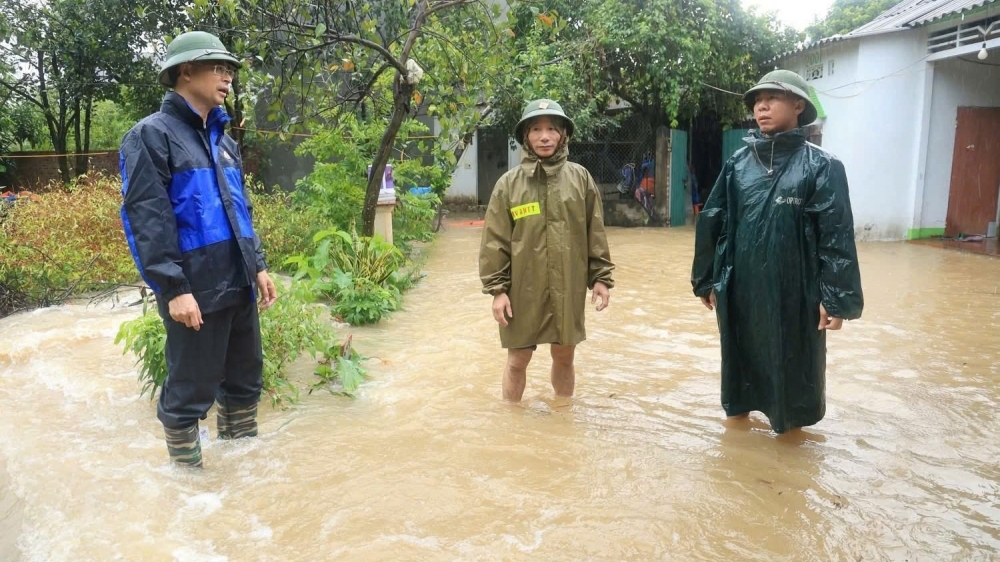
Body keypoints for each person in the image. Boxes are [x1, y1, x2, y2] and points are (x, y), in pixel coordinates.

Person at [120, 30, 278, 467]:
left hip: (238, 281)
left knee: (246, 382)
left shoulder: (224, 142)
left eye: (230, 70)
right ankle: (189, 492)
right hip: (196, 287)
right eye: (218, 68)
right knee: (190, 392)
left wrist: (258, 266)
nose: (227, 77)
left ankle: (242, 482)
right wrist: (173, 288)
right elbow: (147, 219)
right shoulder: (151, 136)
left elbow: (239, 209)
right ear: (185, 71)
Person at [691, 69, 864, 435]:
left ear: (798, 105)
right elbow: (713, 220)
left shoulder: (822, 166)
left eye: (772, 98)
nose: (761, 106)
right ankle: (738, 456)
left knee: (793, 384)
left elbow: (836, 236)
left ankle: (789, 465)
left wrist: (836, 299)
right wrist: (706, 278)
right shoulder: (738, 163)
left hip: (796, 295)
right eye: (756, 100)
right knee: (738, 376)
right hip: (741, 289)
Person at [479, 99, 615, 403]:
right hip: (522, 289)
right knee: (517, 361)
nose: (544, 136)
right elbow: (494, 242)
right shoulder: (508, 185)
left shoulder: (581, 179)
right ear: (525, 136)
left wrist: (601, 279)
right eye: (536, 129)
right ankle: (512, 421)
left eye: (552, 129)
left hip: (567, 285)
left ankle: (562, 417)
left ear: (563, 134)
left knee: (565, 356)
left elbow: (595, 232)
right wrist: (498, 290)